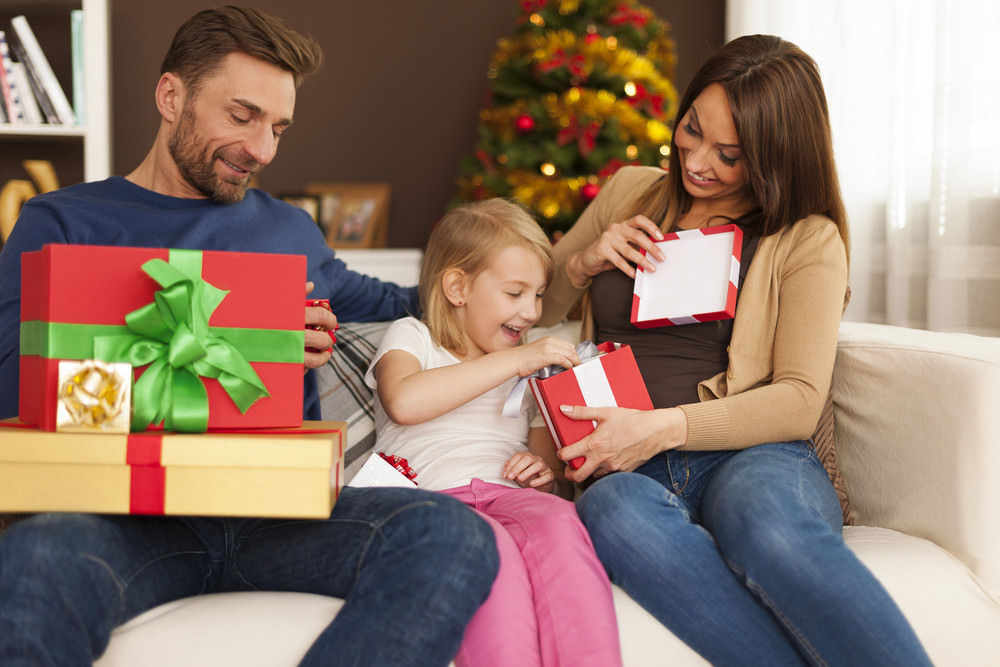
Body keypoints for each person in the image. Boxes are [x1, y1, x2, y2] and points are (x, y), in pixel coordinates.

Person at [0, 8, 498, 666]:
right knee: (36, 559)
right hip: (130, 518)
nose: (263, 149)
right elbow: (15, 389)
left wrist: (566, 268)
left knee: (453, 533)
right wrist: (242, 343)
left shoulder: (288, 230)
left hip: (279, 514)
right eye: (242, 116)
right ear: (171, 95)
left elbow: (421, 299)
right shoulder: (61, 221)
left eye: (278, 127)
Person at [539, 35, 933, 666]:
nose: (696, 161)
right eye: (691, 130)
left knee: (769, 529)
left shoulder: (807, 239)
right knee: (612, 512)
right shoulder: (629, 193)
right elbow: (540, 304)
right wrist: (584, 260)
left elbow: (800, 399)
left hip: (753, 453)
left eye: (729, 154)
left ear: (775, 158)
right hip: (629, 466)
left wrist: (667, 426)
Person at [364, 198, 622, 667]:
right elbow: (404, 401)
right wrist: (517, 360)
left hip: (509, 496)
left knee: (562, 525)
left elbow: (555, 479)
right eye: (515, 292)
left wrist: (542, 472)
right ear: (458, 287)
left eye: (539, 294)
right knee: (490, 553)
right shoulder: (413, 337)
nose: (530, 312)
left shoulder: (530, 372)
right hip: (434, 505)